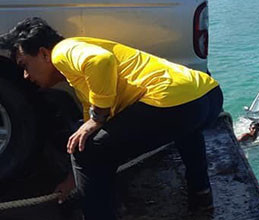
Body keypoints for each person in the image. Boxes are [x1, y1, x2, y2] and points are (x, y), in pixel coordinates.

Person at [1, 17, 222, 219]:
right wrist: (73, 179)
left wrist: (97, 117)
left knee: (86, 151)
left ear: (43, 54)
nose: (26, 76)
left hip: (177, 104)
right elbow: (93, 124)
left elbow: (100, 61)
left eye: (25, 65)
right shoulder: (81, 76)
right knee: (183, 130)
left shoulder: (63, 51)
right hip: (207, 96)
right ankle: (201, 195)